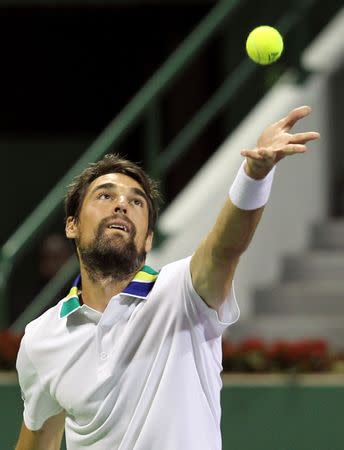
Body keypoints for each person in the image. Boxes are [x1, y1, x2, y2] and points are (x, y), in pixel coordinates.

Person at [15, 106, 320, 450]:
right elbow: (39, 439)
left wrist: (254, 174)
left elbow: (225, 248)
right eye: (105, 195)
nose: (121, 205)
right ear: (72, 225)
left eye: (137, 202)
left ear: (147, 239)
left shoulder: (183, 293)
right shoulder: (41, 338)